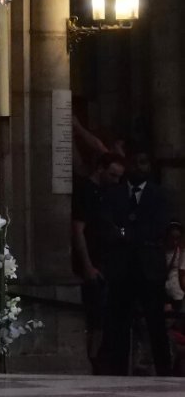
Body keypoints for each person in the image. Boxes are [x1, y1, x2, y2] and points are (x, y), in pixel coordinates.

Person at [100, 148, 173, 376]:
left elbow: (158, 229)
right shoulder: (115, 193)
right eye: (134, 162)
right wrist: (125, 234)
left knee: (155, 322)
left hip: (149, 269)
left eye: (143, 162)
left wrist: (126, 235)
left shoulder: (159, 195)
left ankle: (164, 371)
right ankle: (117, 371)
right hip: (122, 268)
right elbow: (108, 226)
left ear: (149, 166)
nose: (138, 167)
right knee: (118, 322)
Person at [70, 151, 125, 368]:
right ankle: (92, 361)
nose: (116, 181)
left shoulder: (107, 193)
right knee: (95, 317)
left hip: (107, 260)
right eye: (112, 175)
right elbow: (78, 230)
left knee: (104, 317)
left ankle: (100, 360)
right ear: (100, 168)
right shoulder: (86, 191)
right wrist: (88, 266)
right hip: (92, 262)